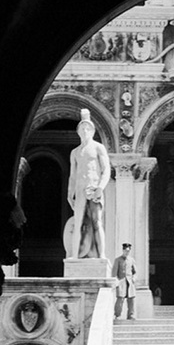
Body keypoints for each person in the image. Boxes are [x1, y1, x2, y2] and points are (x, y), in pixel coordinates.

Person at [67, 109, 111, 259]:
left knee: (97, 222)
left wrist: (100, 188)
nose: (85, 131)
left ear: (92, 131)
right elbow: (72, 175)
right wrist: (69, 193)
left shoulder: (98, 147)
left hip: (94, 188)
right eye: (82, 128)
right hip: (80, 189)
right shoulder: (75, 152)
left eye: (88, 129)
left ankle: (102, 255)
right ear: (78, 132)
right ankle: (74, 256)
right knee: (78, 222)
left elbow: (106, 170)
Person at [112, 242, 137, 319]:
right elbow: (114, 273)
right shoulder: (118, 260)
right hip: (121, 281)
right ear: (123, 250)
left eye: (128, 251)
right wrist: (116, 281)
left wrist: (134, 278)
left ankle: (131, 315)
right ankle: (117, 315)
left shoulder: (131, 260)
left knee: (131, 299)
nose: (127, 252)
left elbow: (135, 272)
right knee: (120, 299)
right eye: (126, 251)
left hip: (130, 282)